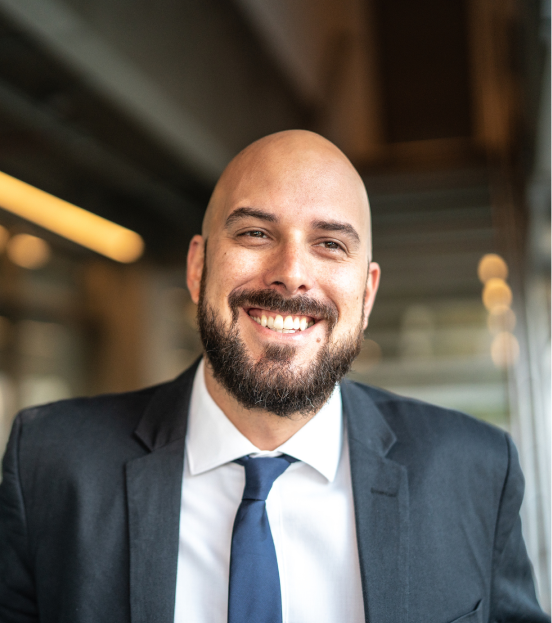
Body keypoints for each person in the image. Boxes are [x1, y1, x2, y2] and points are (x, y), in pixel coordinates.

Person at [0, 130, 549, 623]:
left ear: (367, 295)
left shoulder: (475, 471)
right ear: (198, 268)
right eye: (256, 233)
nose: (290, 272)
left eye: (330, 244)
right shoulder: (49, 463)